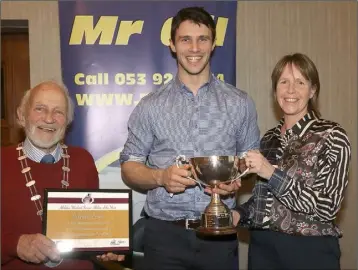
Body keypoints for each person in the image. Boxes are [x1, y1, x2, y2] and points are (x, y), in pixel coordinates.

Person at [120, 6, 260, 270]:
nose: (194, 48)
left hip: (220, 236)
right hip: (163, 237)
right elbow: (129, 166)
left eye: (202, 39)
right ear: (172, 44)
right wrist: (160, 177)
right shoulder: (150, 106)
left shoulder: (240, 103)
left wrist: (236, 180)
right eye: (185, 39)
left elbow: (251, 162)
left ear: (213, 43)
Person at [233, 53, 351, 270]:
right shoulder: (269, 138)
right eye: (284, 82)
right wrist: (237, 214)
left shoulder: (332, 136)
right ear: (275, 89)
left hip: (309, 251)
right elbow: (265, 202)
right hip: (262, 248)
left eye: (300, 82)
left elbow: (327, 207)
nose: (290, 90)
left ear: (312, 90)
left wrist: (272, 174)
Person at [1, 81, 124, 269]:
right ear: (21, 116)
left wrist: (106, 247)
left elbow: (92, 229)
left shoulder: (83, 161)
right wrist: (14, 244)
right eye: (40, 109)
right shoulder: (3, 162)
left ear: (67, 122)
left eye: (58, 112)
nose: (49, 119)